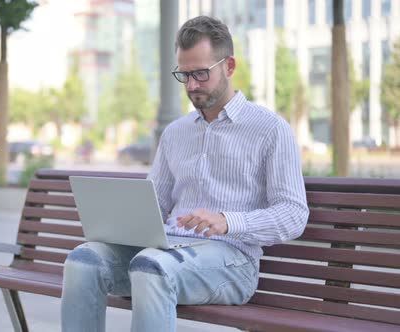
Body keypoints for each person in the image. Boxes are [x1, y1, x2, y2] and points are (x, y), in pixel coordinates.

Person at [61, 15, 309, 332]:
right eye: (185, 75)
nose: (191, 86)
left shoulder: (271, 130)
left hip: (233, 261)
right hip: (167, 252)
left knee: (152, 267)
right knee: (84, 261)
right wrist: (121, 224)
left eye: (201, 74)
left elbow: (293, 214)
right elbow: (156, 202)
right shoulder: (176, 133)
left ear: (229, 66)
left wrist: (228, 220)